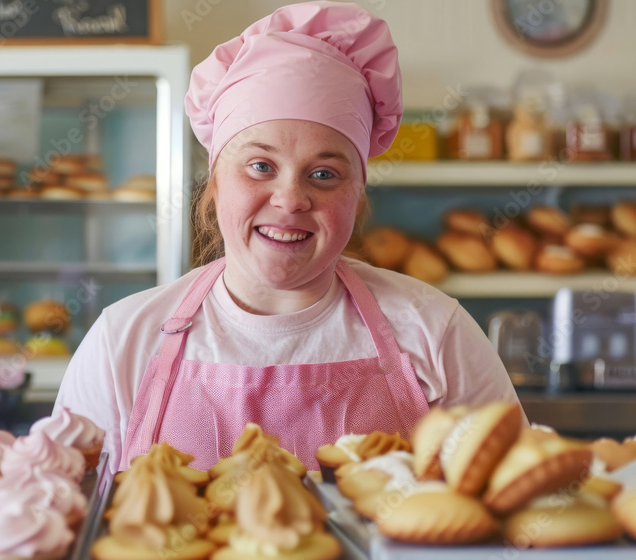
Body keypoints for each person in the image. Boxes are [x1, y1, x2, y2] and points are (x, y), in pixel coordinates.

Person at [54, 1, 522, 473]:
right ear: (215, 184)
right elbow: (67, 513)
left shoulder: (434, 331)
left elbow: (514, 511)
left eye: (324, 174)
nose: (291, 199)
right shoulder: (123, 340)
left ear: (357, 196)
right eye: (260, 166)